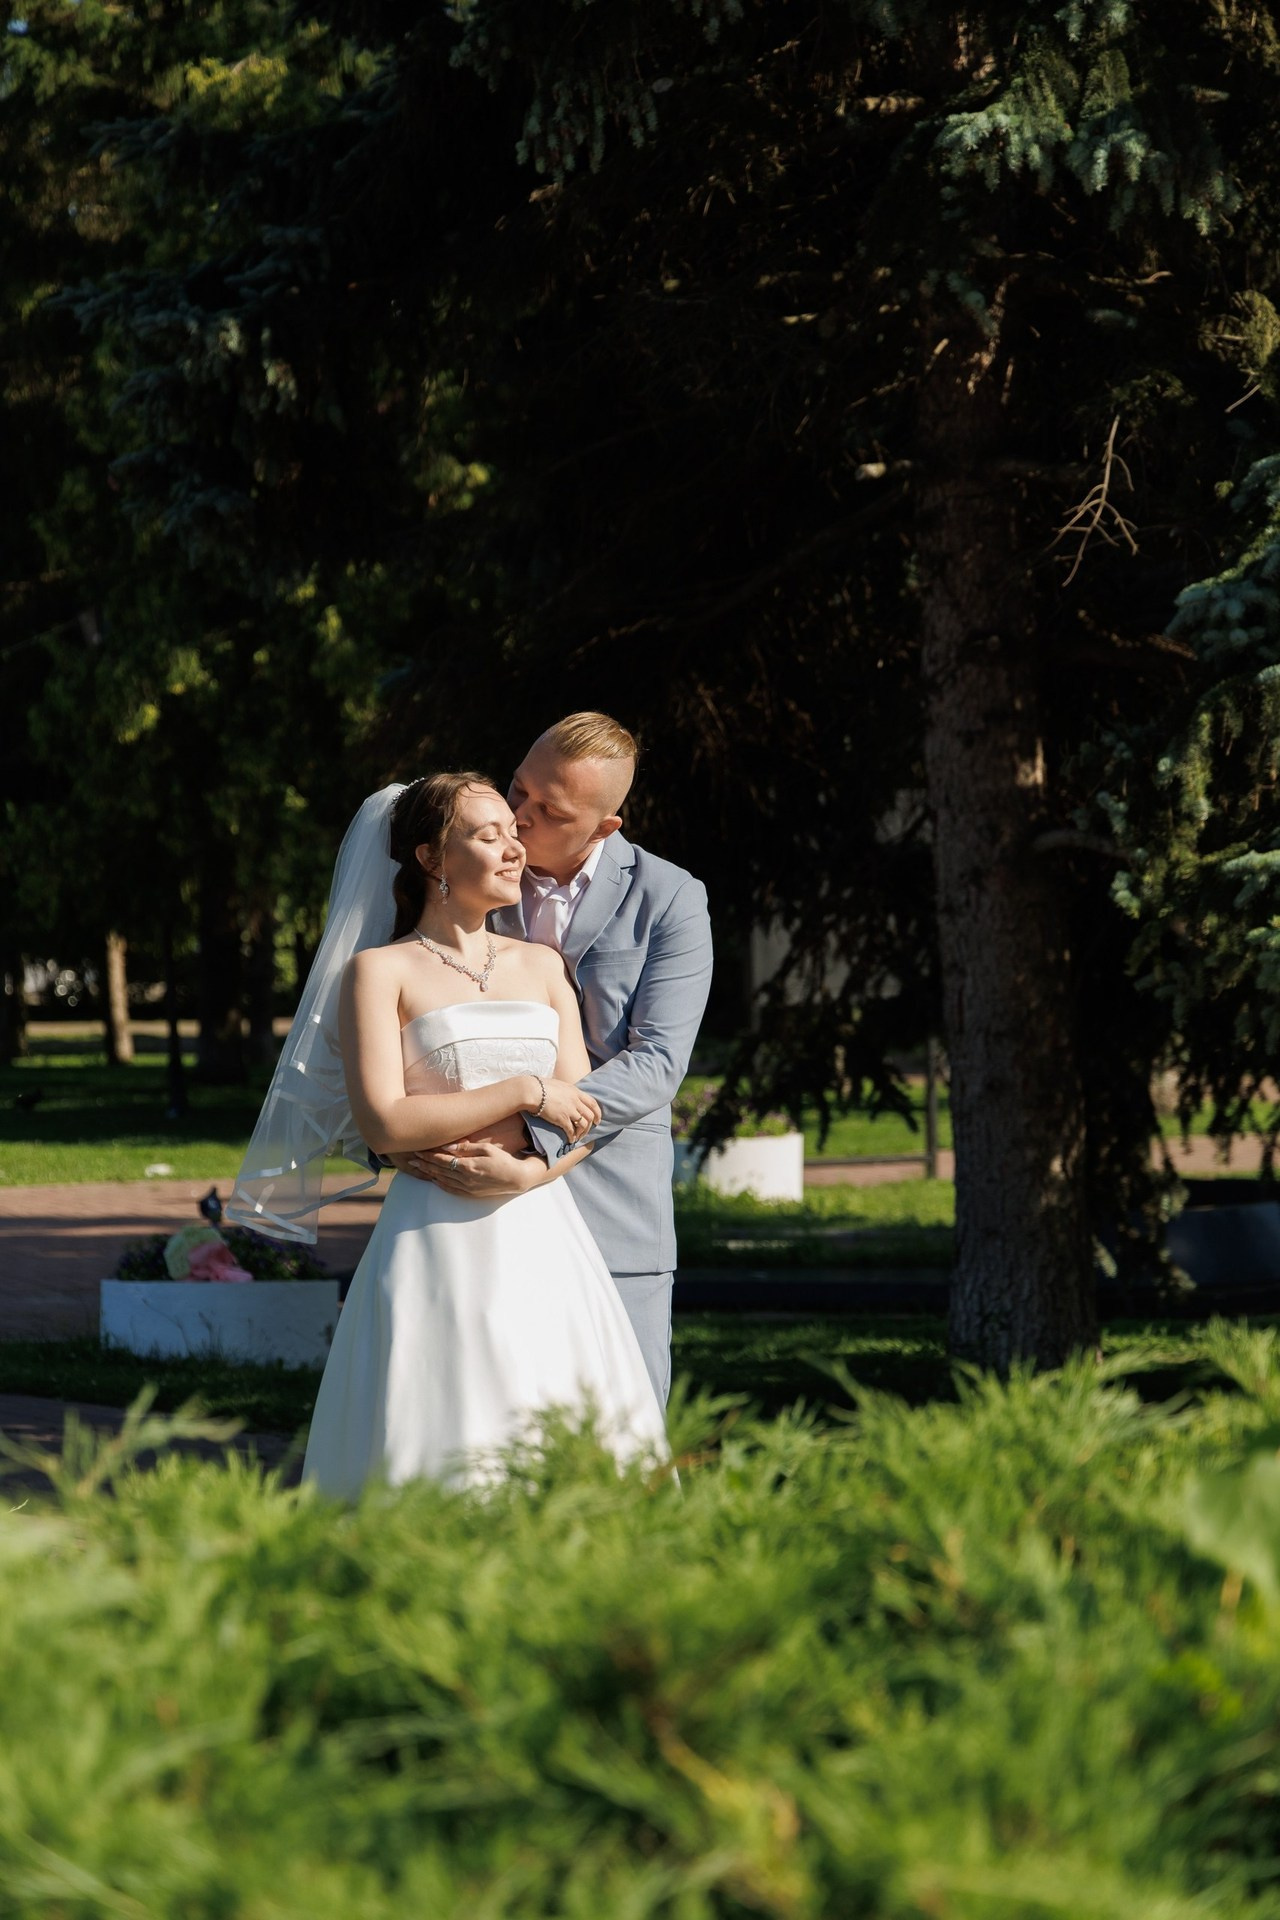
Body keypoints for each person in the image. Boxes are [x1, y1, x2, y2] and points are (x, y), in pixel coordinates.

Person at [228, 772, 669, 1497]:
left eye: (513, 832)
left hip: (547, 1232)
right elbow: (385, 1121)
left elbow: (588, 1115)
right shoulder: (377, 973)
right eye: (487, 834)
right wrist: (526, 1091)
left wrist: (529, 1174)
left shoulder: (541, 965)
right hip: (434, 1235)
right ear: (432, 858)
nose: (513, 849)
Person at [388, 714, 714, 1407]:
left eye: (549, 811)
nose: (518, 818)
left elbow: (656, 1062)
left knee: (621, 1432)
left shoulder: (672, 900)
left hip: (612, 1211)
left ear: (605, 828)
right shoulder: (470, 877)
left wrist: (528, 1138)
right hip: (470, 1210)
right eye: (518, 790)